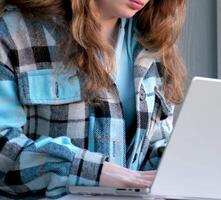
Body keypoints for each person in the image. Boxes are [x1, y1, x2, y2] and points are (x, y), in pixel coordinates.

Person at [0, 0, 186, 198]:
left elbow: (154, 143)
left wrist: (180, 165)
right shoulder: (13, 33)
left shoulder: (152, 39)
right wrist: (94, 172)